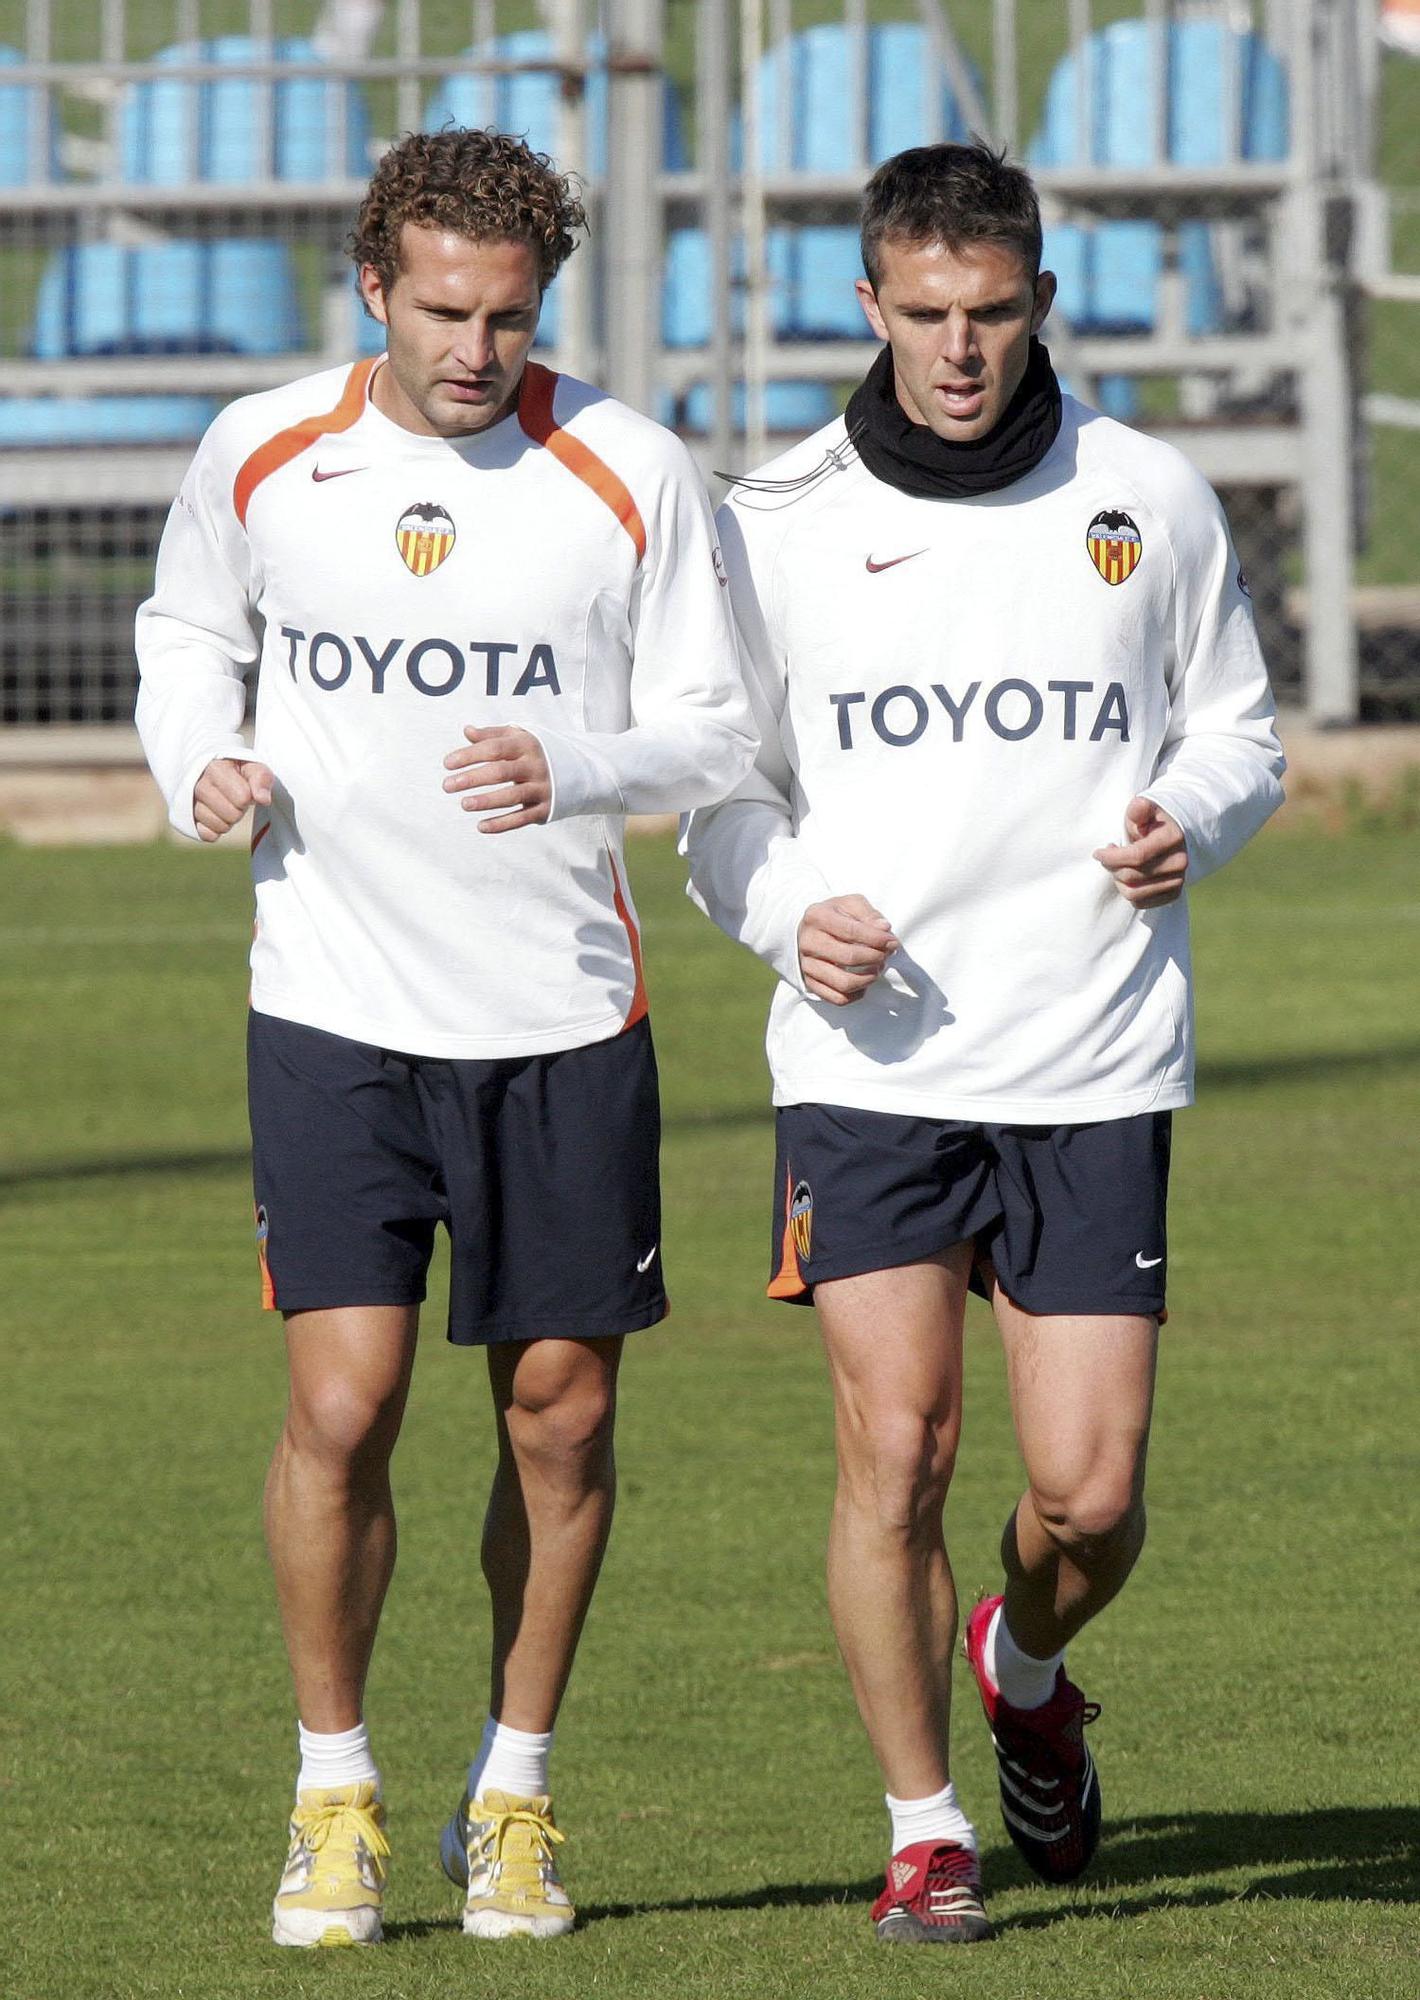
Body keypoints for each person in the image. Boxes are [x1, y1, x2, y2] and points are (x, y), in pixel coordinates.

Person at [135, 126, 754, 1949]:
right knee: (345, 1401)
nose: (477, 348)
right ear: (372, 287)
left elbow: (714, 728)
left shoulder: (631, 469)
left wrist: (581, 764)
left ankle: (517, 1794)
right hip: (330, 1002)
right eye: (443, 310)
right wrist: (203, 759)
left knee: (557, 1426)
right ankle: (334, 1797)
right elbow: (187, 631)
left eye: (511, 313)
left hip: (560, 1015)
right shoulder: (260, 448)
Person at [685, 141, 1284, 1947]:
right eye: (926, 315)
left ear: (1043, 304)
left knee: (1089, 1496)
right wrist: (794, 913)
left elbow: (1240, 730)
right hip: (867, 1068)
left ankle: (1022, 1660)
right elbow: (722, 798)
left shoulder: (1150, 496)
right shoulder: (769, 520)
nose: (960, 350)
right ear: (868, 305)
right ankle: (926, 1827)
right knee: (900, 1454)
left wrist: (1198, 810)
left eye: (994, 315)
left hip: (1093, 1056)